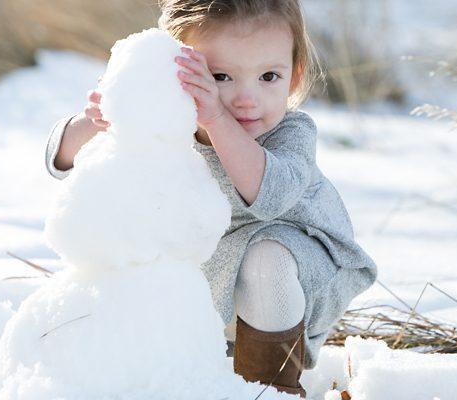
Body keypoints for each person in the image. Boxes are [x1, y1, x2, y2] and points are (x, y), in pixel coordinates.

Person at [43, 0, 377, 396]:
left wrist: (216, 119)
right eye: (221, 76)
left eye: (269, 76)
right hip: (215, 274)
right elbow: (61, 162)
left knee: (265, 257)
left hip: (299, 272)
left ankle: (270, 387)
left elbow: (269, 196)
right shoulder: (173, 130)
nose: (246, 99)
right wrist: (94, 122)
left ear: (294, 76)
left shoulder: (292, 132)